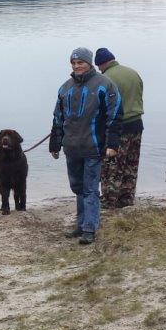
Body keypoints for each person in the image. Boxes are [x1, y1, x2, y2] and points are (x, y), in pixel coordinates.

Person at [48, 48, 123, 245]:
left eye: (80, 62)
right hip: (71, 148)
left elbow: (114, 116)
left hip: (94, 147)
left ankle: (90, 228)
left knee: (90, 189)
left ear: (89, 63)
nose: (76, 66)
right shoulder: (65, 88)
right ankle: (80, 224)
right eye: (73, 63)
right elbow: (58, 117)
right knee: (78, 188)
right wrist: (55, 144)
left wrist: (112, 144)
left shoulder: (105, 85)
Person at [95, 48, 144, 209]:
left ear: (101, 64)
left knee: (112, 165)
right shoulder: (133, 73)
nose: (99, 70)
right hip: (137, 124)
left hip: (118, 127)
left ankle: (109, 200)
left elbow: (101, 107)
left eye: (99, 67)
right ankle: (127, 198)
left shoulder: (105, 79)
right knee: (131, 163)